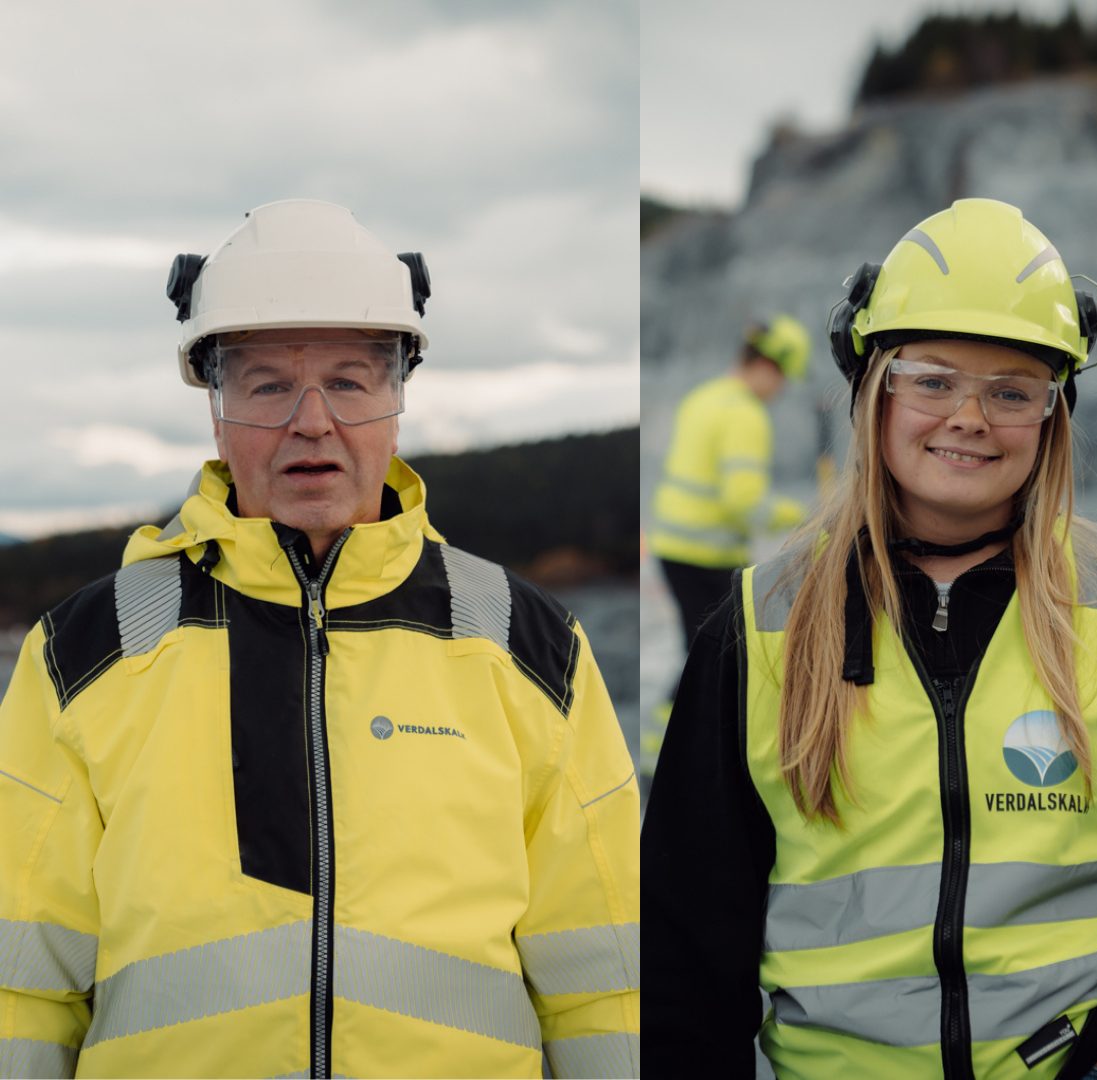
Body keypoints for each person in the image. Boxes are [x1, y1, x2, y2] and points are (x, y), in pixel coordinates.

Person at [641, 198, 1097, 1079]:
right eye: (932, 379)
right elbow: (683, 949)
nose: (970, 417)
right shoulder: (757, 633)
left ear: (1053, 412)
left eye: (1012, 391)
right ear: (874, 390)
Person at [0, 199, 639, 1077]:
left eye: (348, 380)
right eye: (267, 384)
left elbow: (609, 986)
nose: (311, 421)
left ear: (397, 398)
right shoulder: (86, 651)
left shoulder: (528, 646)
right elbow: (20, 990)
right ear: (216, 410)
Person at [643, 314, 811, 756]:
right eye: (784, 379)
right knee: (720, 655)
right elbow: (744, 502)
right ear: (769, 367)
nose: (781, 391)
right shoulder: (745, 416)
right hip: (708, 556)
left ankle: (667, 743)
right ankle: (676, 746)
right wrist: (799, 512)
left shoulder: (704, 398)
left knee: (703, 650)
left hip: (674, 549)